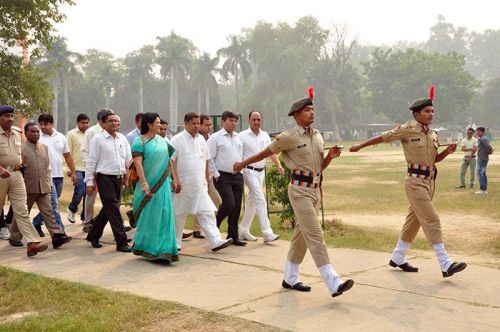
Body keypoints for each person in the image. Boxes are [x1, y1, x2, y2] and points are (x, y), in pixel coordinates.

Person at [233, 89, 354, 298]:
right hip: (299, 191)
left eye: (312, 109)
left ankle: (290, 277)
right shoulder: (288, 137)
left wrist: (331, 157)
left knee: (302, 236)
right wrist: (242, 164)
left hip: (315, 190)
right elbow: (265, 153)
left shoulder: (317, 136)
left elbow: (319, 167)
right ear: (296, 115)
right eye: (307, 110)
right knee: (315, 235)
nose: (311, 112)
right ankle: (333, 281)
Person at [350, 86, 467, 278]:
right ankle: (445, 263)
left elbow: (434, 159)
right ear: (416, 114)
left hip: (430, 182)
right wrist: (360, 146)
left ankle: (398, 256)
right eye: (427, 111)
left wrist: (446, 152)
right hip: (414, 182)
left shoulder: (433, 134)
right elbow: (384, 136)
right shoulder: (407, 129)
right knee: (432, 219)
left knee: (414, 222)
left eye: (432, 111)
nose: (431, 114)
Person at [171, 112, 233, 252]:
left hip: (200, 184)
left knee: (207, 212)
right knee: (179, 214)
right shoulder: (176, 139)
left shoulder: (201, 140)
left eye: (198, 123)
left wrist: (206, 179)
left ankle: (215, 240)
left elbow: (206, 160)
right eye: (193, 123)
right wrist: (175, 179)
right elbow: (171, 160)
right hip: (183, 184)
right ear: (185, 123)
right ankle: (175, 243)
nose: (196, 126)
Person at [9, 122, 72, 249]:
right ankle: (15, 237)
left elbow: (47, 168)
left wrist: (49, 183)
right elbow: (15, 168)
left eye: (37, 131)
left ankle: (57, 236)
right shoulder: (20, 149)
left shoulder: (44, 147)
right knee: (22, 213)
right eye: (32, 131)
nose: (36, 134)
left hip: (44, 185)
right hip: (26, 187)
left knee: (49, 212)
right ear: (25, 133)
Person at [0, 105, 48, 257]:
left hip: (16, 174)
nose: (10, 118)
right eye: (6, 115)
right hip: (1, 174)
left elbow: (19, 154)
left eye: (12, 116)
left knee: (22, 210)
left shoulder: (17, 132)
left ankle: (32, 243)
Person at [131, 112, 179, 262]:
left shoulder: (163, 141)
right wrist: (144, 184)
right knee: (150, 217)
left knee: (165, 214)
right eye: (157, 123)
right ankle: (147, 247)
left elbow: (169, 161)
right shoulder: (140, 142)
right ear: (149, 124)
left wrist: (175, 179)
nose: (161, 125)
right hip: (148, 186)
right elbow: (138, 164)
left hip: (164, 185)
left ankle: (165, 250)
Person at [85, 113, 132, 252]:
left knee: (109, 208)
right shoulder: (97, 139)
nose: (114, 124)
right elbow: (91, 161)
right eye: (111, 121)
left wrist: (126, 177)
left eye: (116, 121)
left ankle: (93, 235)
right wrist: (89, 182)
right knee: (113, 207)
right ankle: (121, 241)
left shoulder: (122, 138)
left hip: (118, 177)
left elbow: (128, 160)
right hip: (104, 177)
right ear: (103, 124)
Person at [238, 111, 283, 242]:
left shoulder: (265, 136)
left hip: (260, 172)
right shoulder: (242, 136)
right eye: (254, 119)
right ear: (249, 120)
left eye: (258, 119)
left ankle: (243, 230)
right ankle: (267, 232)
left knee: (252, 203)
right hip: (248, 171)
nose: (256, 122)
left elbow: (271, 152)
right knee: (260, 199)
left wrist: (279, 165)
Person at [32, 113, 77, 236]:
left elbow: (67, 155)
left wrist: (73, 172)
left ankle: (36, 223)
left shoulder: (61, 137)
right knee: (53, 204)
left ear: (51, 124)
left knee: (51, 204)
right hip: (46, 175)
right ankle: (60, 231)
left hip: (59, 175)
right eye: (41, 124)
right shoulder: (37, 137)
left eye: (45, 124)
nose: (42, 127)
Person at [207, 111, 246, 246]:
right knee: (229, 203)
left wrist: (242, 171)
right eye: (230, 120)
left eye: (235, 120)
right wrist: (216, 175)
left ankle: (233, 236)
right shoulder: (215, 137)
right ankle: (214, 228)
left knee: (237, 207)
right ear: (223, 122)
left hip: (238, 176)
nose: (233, 123)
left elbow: (240, 156)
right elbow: (209, 158)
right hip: (222, 176)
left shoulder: (238, 138)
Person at [188, 114, 222, 239]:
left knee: (213, 201)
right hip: (197, 176)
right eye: (206, 125)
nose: (209, 127)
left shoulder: (209, 138)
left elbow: (209, 159)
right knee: (206, 202)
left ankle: (203, 228)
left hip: (208, 175)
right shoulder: (196, 138)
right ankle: (198, 229)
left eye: (210, 125)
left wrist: (213, 174)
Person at [80, 108, 114, 232]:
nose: (114, 122)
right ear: (102, 121)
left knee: (111, 199)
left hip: (108, 172)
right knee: (91, 197)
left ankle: (116, 222)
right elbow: (84, 151)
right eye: (111, 120)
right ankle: (87, 222)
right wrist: (90, 171)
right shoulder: (91, 132)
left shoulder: (112, 132)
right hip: (94, 171)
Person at [66, 113, 90, 223]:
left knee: (88, 193)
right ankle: (72, 208)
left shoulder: (90, 134)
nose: (85, 125)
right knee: (80, 190)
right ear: (78, 123)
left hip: (89, 167)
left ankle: (85, 217)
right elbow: (67, 152)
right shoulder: (71, 134)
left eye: (86, 123)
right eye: (82, 123)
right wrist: (70, 170)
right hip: (77, 167)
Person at [475, 127, 494, 195]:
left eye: (479, 132)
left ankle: (482, 189)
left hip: (482, 158)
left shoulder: (483, 139)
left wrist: (490, 151)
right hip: (483, 157)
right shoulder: (483, 139)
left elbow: (488, 147)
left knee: (480, 173)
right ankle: (484, 189)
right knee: (483, 173)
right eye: (477, 132)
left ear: (483, 132)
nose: (477, 133)